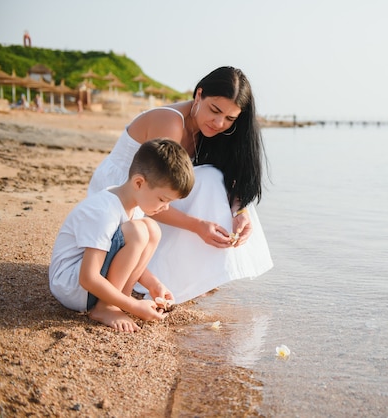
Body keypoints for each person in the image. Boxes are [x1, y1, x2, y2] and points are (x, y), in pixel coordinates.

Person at [88, 66, 273, 304]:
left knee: (216, 178)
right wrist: (198, 226)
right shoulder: (171, 122)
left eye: (229, 118)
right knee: (209, 180)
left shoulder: (212, 132)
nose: (218, 123)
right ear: (198, 95)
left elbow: (230, 177)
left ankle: (193, 274)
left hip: (156, 197)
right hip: (121, 193)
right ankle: (166, 274)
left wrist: (239, 211)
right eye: (214, 110)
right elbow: (150, 193)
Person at [49, 139, 195, 332]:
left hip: (87, 286)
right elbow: (88, 277)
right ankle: (106, 307)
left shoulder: (134, 205)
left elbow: (125, 255)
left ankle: (117, 301)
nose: (165, 207)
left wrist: (154, 284)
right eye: (162, 199)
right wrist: (133, 306)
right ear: (139, 182)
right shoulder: (104, 211)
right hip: (72, 287)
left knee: (152, 229)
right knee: (139, 231)